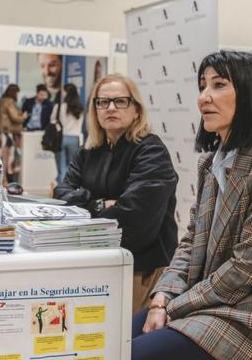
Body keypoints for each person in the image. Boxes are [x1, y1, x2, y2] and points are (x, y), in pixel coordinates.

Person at [134, 50, 252, 360]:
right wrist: (161, 297)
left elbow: (248, 269)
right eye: (202, 86)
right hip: (216, 305)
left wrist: (173, 306)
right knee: (112, 339)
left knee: (134, 353)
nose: (204, 97)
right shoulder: (212, 161)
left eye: (218, 85)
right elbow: (191, 241)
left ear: (249, 94)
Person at [55, 74, 177, 313]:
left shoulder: (151, 152)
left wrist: (85, 207)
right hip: (93, 261)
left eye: (120, 101)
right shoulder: (88, 152)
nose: (110, 108)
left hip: (138, 269)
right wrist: (101, 204)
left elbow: (133, 217)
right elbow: (61, 195)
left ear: (136, 110)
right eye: (103, 102)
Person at [50, 83, 84, 183]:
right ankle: (70, 189)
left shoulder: (59, 107)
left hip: (61, 138)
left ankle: (62, 190)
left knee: (61, 167)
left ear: (66, 92)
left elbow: (52, 121)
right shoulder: (80, 108)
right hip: (75, 138)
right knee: (72, 166)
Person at [0, 84, 25, 181]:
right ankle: (7, 181)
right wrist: (23, 117)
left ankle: (1, 180)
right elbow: (15, 117)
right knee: (9, 159)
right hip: (6, 133)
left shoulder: (1, 101)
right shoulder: (9, 102)